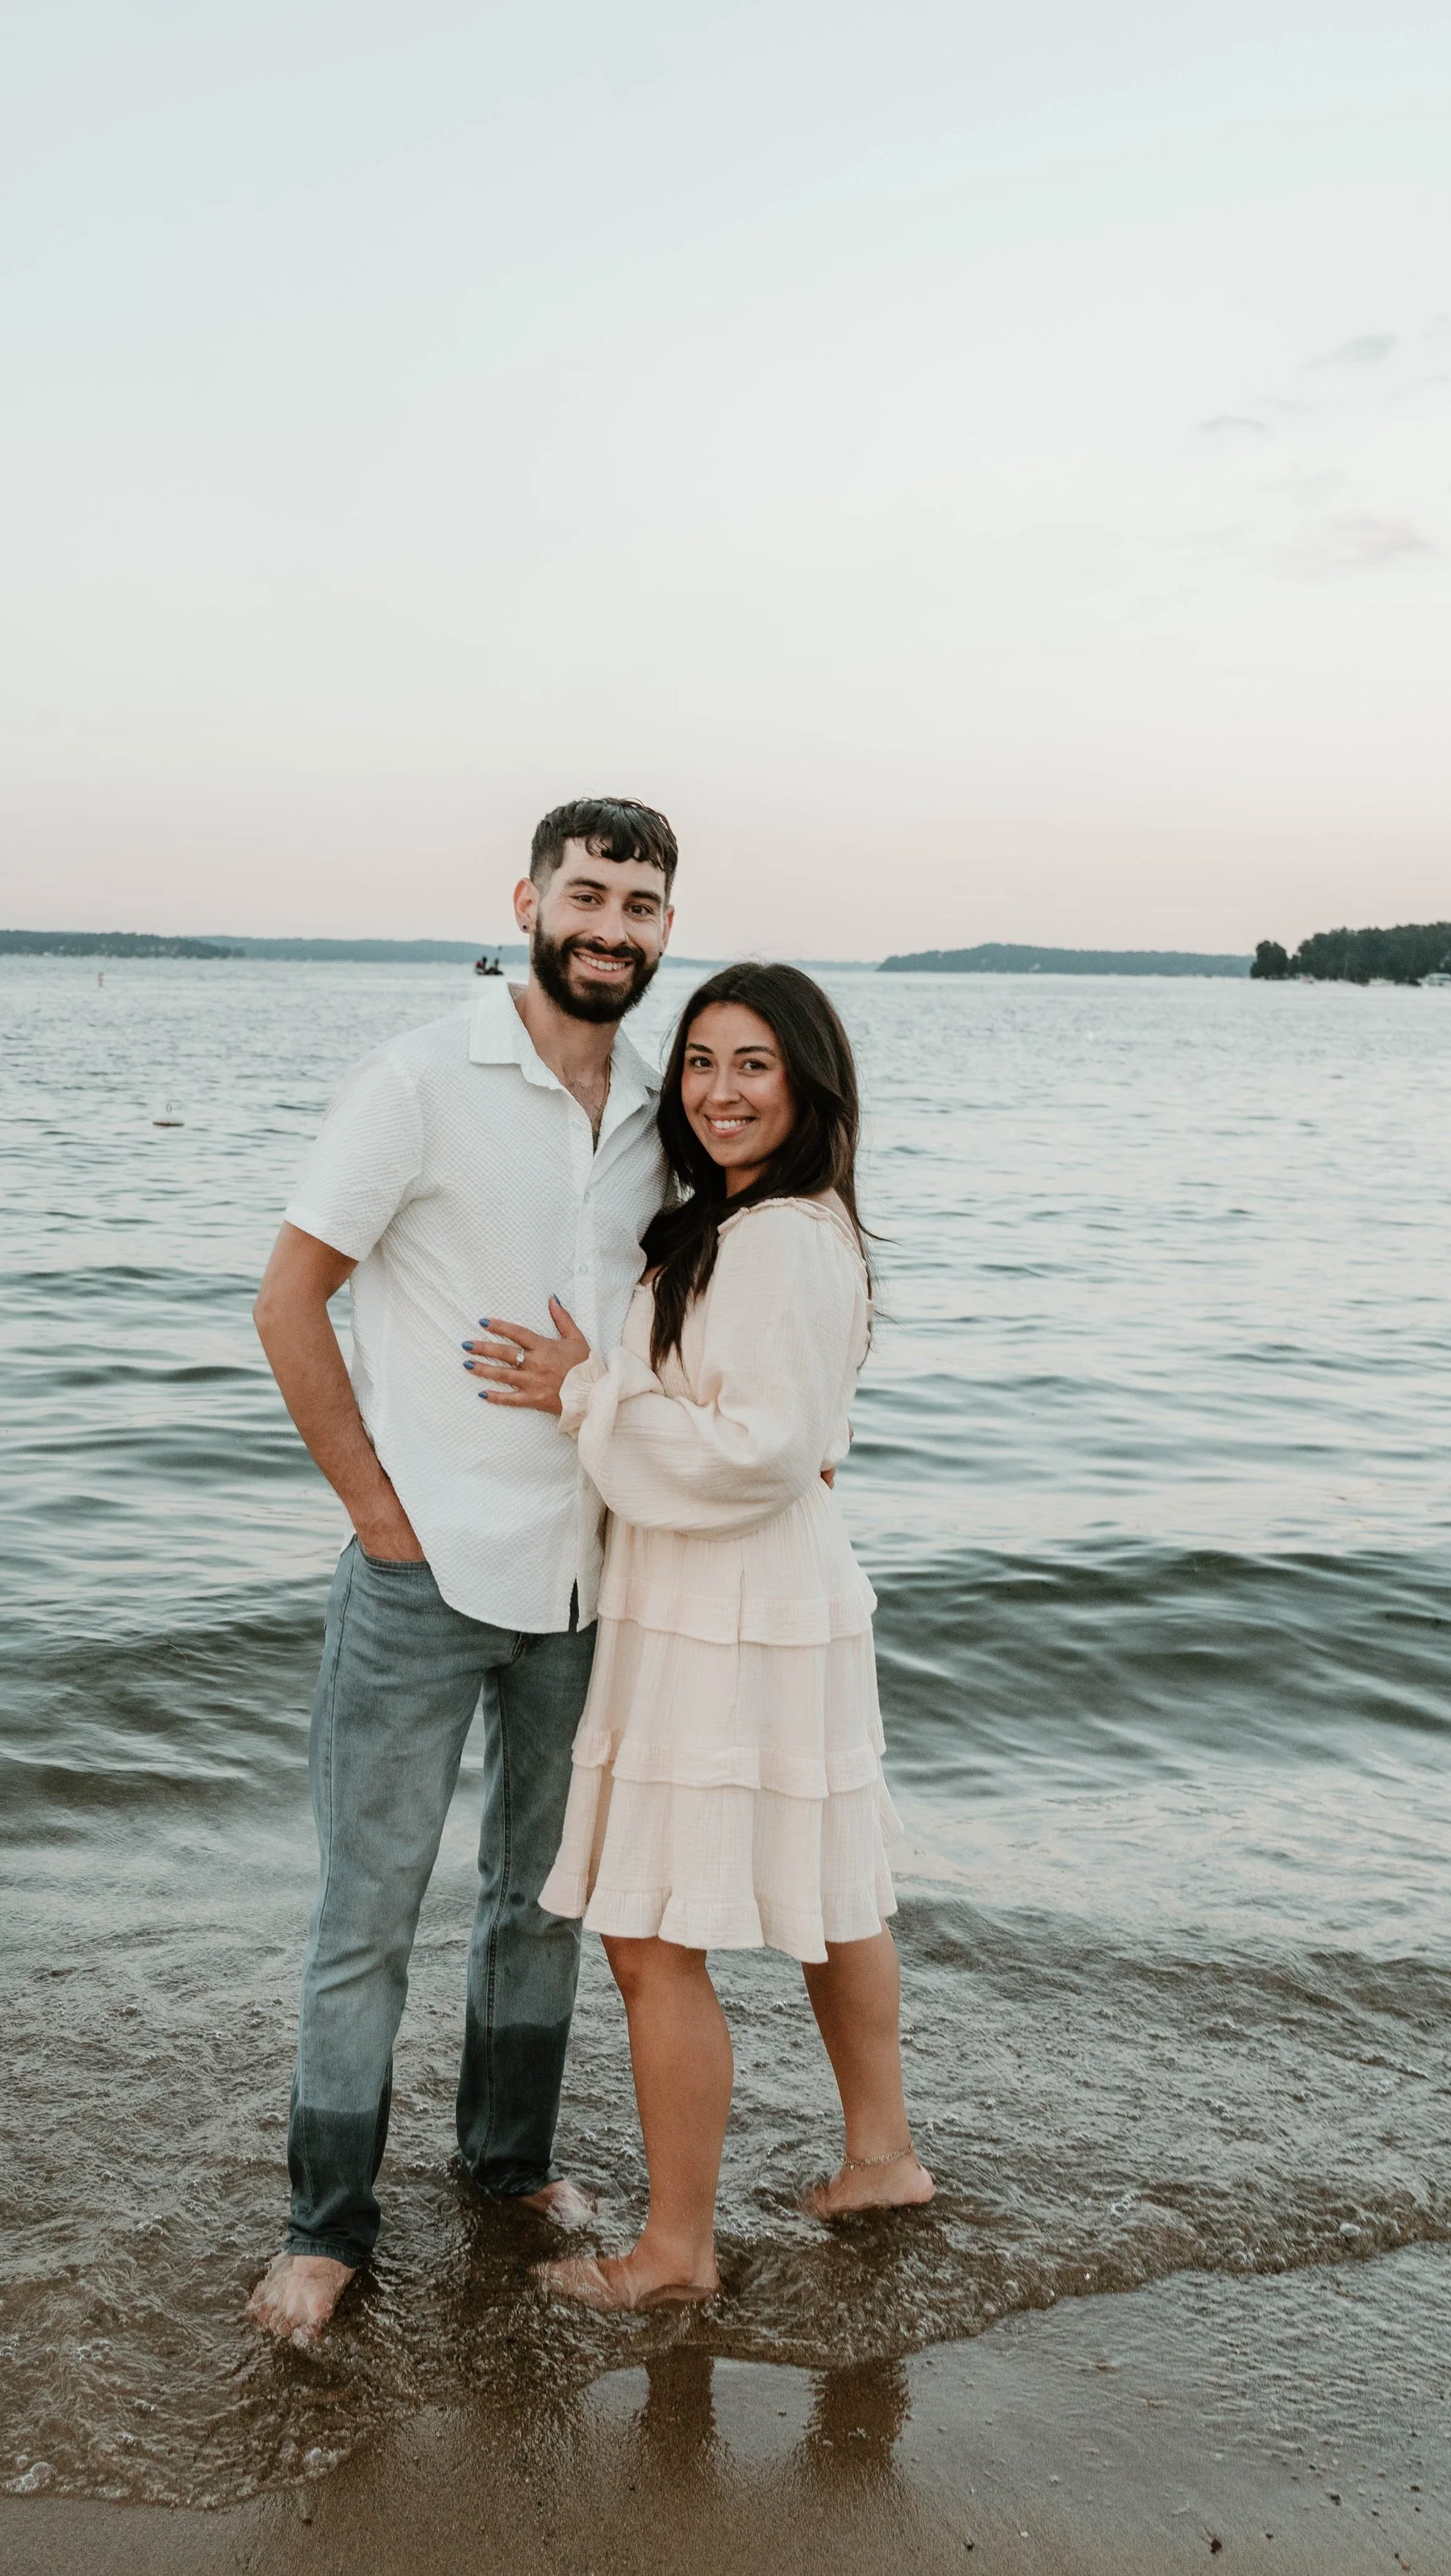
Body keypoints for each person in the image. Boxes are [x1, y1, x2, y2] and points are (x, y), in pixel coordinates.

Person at [245, 798, 680, 2346]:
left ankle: (507, 2169)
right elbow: (289, 1302)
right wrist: (377, 1512)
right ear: (529, 899)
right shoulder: (421, 1077)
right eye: (588, 894)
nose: (611, 927)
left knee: (541, 1903)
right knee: (367, 1912)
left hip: (585, 1578)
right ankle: (324, 2227)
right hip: (422, 1576)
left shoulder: (654, 1105)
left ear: (665, 928)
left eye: (641, 904)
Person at [464, 962, 932, 2310]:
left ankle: (675, 2254)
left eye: (755, 1066)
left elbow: (756, 1451)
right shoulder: (761, 1223)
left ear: (808, 1084)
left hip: (728, 1605)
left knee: (650, 1936)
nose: (720, 1092)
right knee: (830, 1885)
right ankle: (881, 2155)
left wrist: (586, 1391)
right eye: (704, 1063)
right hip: (766, 1591)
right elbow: (794, 1439)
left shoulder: (780, 1235)